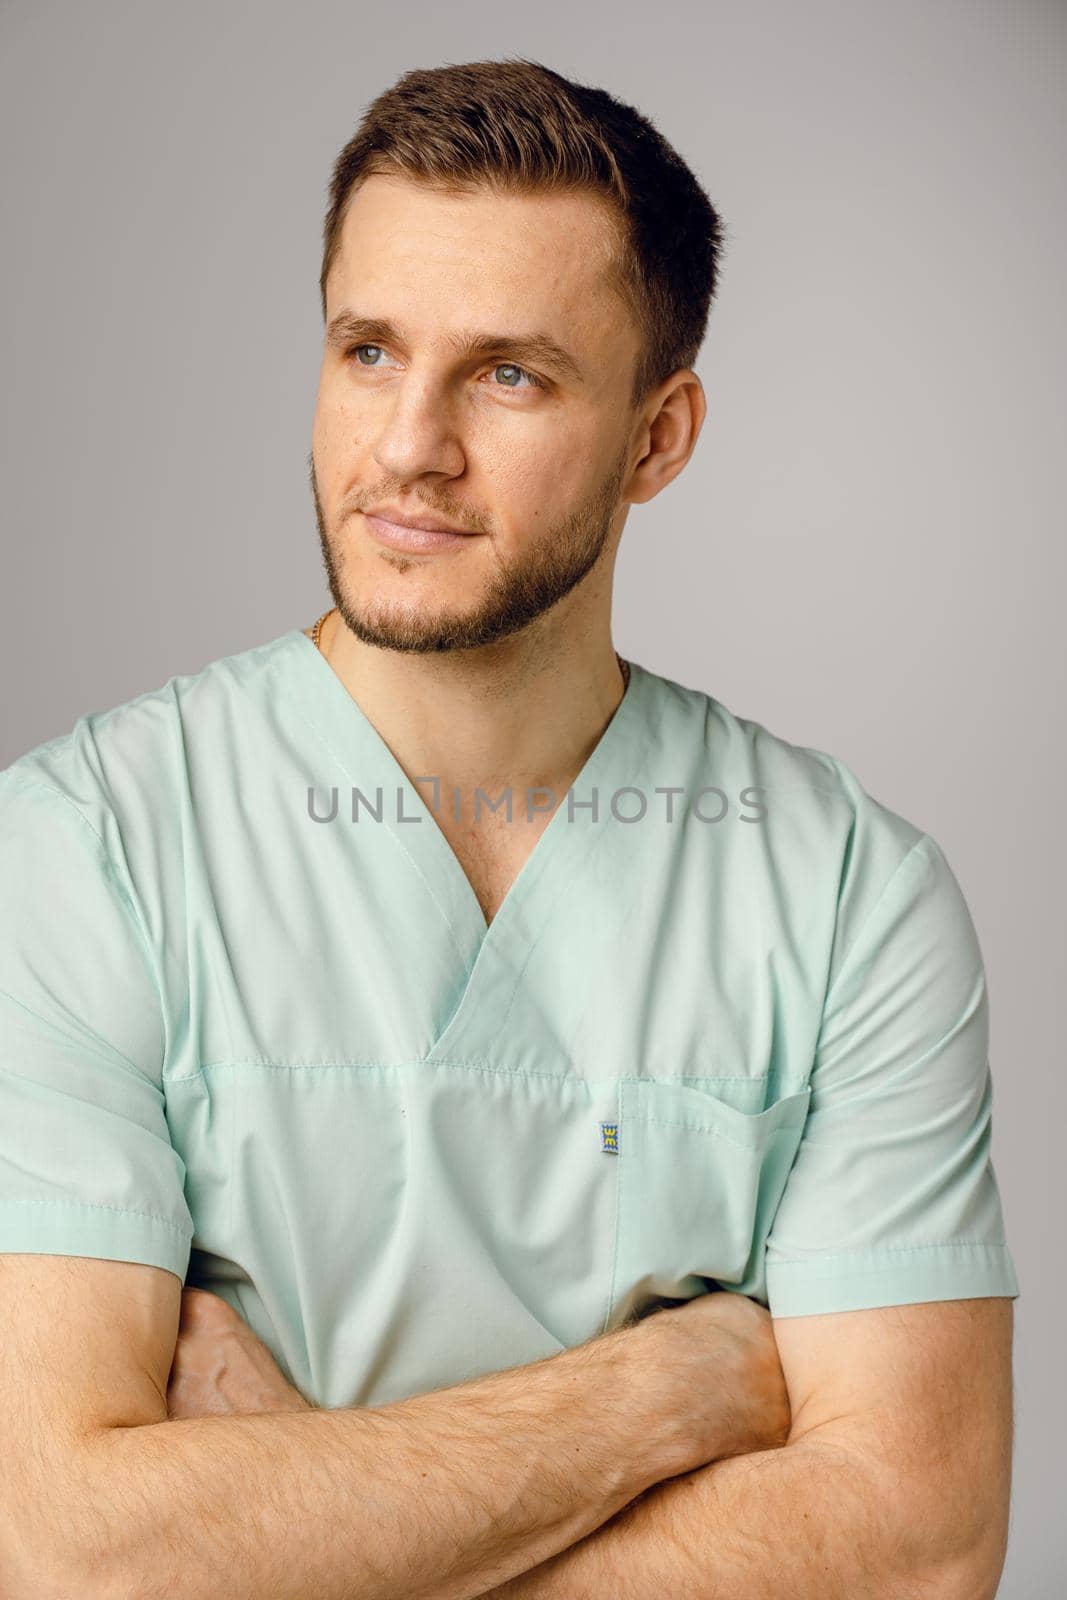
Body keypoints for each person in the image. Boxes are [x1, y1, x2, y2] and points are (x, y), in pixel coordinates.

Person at [0, 56, 1018, 1600]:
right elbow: (67, 1553)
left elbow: (918, 1552)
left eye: (510, 375)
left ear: (659, 438)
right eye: (368, 350)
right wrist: (661, 1395)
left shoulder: (846, 897)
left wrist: (284, 1527)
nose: (408, 444)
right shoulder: (85, 848)